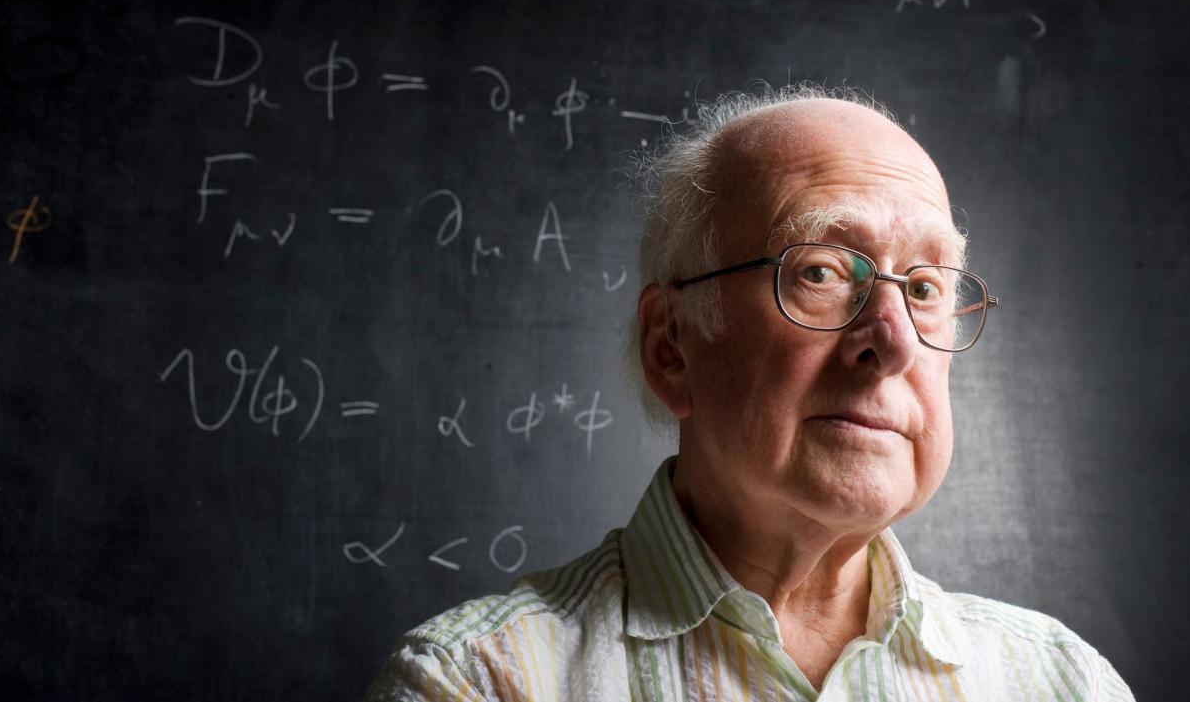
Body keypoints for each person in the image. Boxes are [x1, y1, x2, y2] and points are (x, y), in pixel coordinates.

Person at [364, 85, 1136, 701]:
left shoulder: (1060, 682)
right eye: (822, 272)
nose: (894, 339)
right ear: (672, 345)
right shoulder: (475, 683)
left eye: (927, 286)